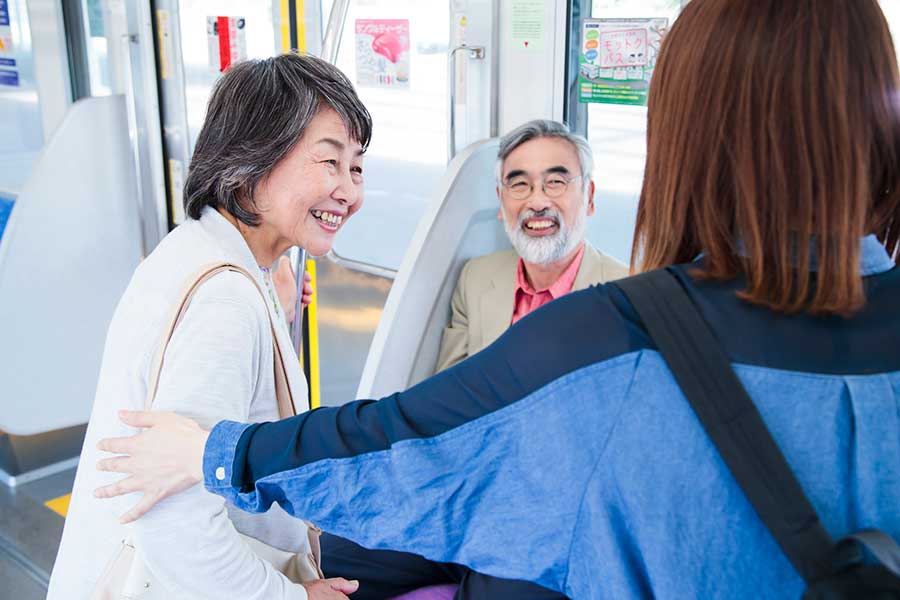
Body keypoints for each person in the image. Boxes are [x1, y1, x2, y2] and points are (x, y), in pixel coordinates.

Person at [94, 1, 900, 598]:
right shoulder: (249, 288)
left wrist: (223, 454)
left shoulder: (620, 332)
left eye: (357, 166)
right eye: (518, 181)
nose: (349, 189)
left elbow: (413, 437)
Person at [48, 53, 371, 600]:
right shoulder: (224, 300)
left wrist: (275, 309)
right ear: (251, 159)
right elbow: (176, 524)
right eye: (329, 161)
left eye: (357, 166)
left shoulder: (198, 254)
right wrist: (294, 597)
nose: (349, 189)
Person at [435, 119, 627, 373]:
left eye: (556, 182)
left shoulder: (629, 293)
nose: (537, 202)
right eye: (519, 184)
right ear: (501, 201)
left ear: (589, 197)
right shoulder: (475, 278)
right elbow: (447, 390)